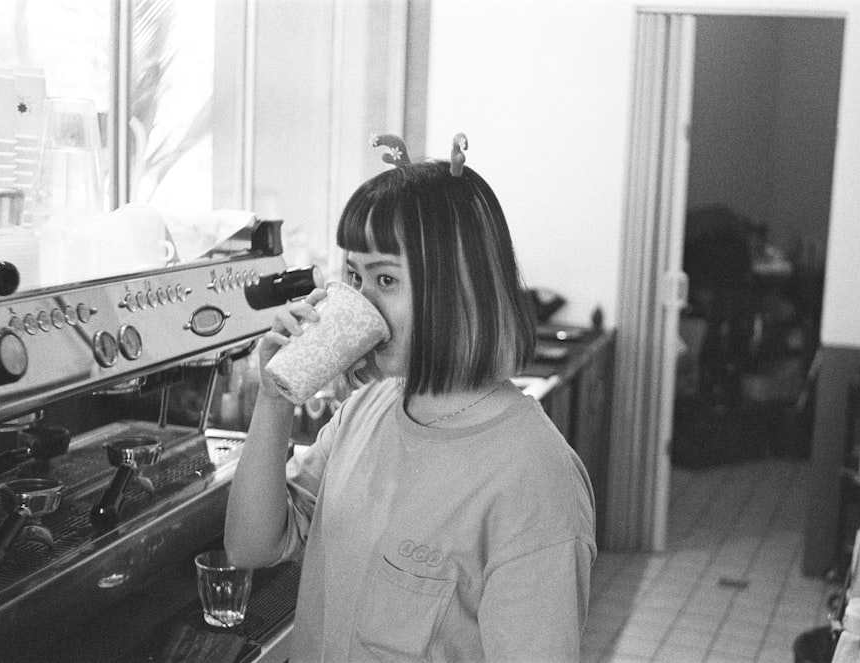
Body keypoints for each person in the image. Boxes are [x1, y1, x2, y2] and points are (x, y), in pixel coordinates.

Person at [225, 134, 597, 662]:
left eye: (385, 278)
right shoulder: (364, 412)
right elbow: (251, 546)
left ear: (460, 288)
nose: (359, 300)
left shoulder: (535, 480)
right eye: (353, 275)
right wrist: (276, 396)